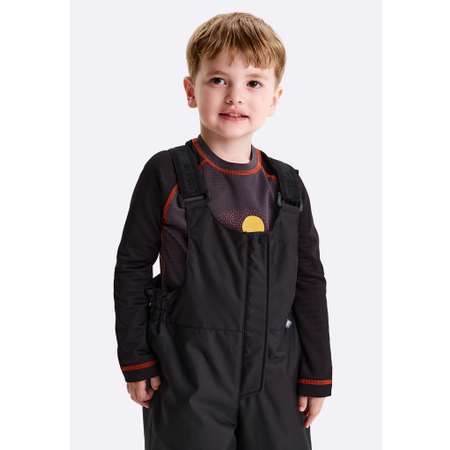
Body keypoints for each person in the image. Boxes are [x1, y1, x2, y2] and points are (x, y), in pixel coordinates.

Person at [114, 11, 332, 450]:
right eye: (218, 80)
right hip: (188, 376)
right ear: (190, 90)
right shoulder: (166, 173)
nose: (235, 96)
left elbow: (309, 281)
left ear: (275, 98)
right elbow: (132, 268)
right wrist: (135, 358)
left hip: (276, 377)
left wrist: (317, 372)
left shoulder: (287, 187)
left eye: (253, 83)